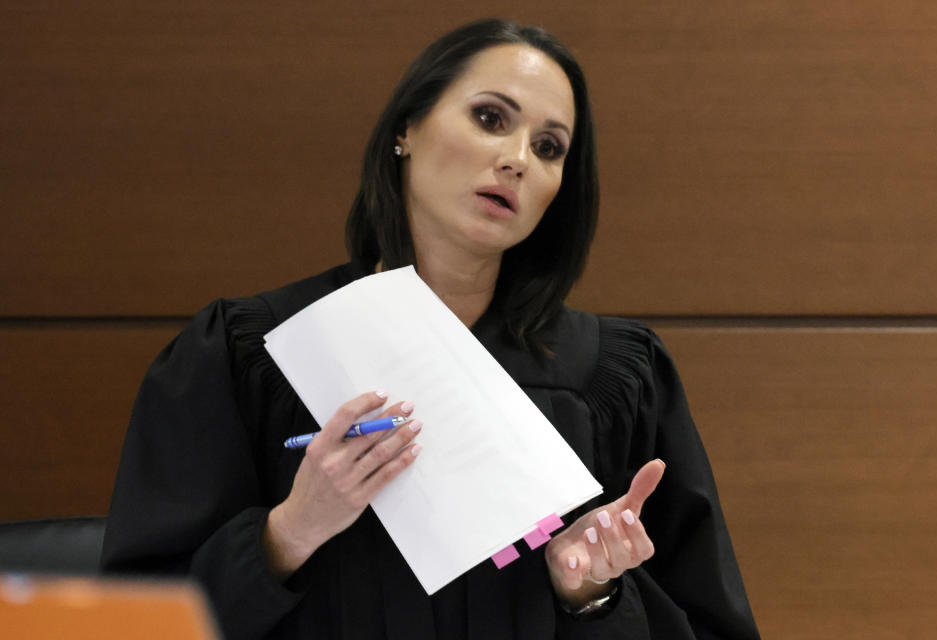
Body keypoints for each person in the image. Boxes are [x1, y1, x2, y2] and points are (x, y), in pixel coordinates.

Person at [101, 19, 761, 640]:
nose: (517, 160)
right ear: (406, 128)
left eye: (549, 147)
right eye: (489, 118)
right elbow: (134, 620)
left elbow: (706, 622)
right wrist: (288, 534)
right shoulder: (252, 351)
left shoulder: (612, 376)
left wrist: (590, 597)